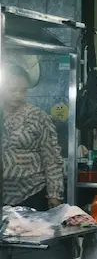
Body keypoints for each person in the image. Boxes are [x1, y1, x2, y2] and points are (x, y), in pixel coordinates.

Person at [2, 64, 64, 209]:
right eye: (13, 90)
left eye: (23, 90)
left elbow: (51, 158)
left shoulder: (38, 116)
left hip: (33, 192)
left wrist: (54, 194)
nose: (18, 95)